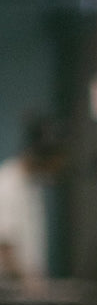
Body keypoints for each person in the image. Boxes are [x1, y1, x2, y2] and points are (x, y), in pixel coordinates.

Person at [0, 116, 65, 285]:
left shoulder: (33, 188)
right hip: (9, 293)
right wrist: (30, 283)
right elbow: (4, 247)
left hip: (26, 291)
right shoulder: (6, 184)